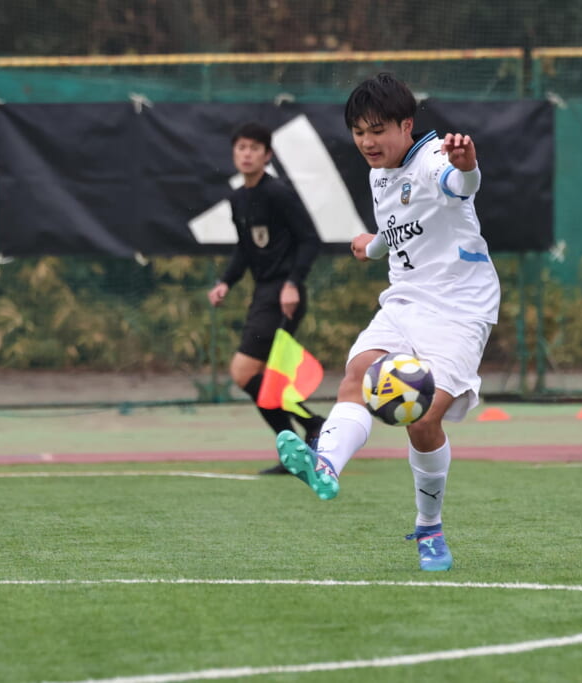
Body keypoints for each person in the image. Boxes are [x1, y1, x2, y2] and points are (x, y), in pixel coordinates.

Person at [274, 73, 501, 572]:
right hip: (405, 299)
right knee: (357, 375)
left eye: (377, 130)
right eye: (358, 132)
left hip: (460, 307)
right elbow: (398, 225)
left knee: (424, 416)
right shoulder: (380, 173)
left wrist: (468, 166)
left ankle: (429, 527)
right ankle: (325, 465)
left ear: (406, 125)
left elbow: (459, 185)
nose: (367, 142)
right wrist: (373, 246)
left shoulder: (434, 158)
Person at [207, 122, 325, 475]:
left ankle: (310, 429)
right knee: (264, 379)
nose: (247, 154)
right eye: (241, 147)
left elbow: (310, 239)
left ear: (267, 155)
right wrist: (226, 282)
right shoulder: (238, 198)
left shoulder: (278, 193)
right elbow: (245, 249)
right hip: (263, 293)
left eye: (254, 148)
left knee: (243, 372)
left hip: (282, 295)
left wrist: (293, 283)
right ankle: (304, 439)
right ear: (234, 153)